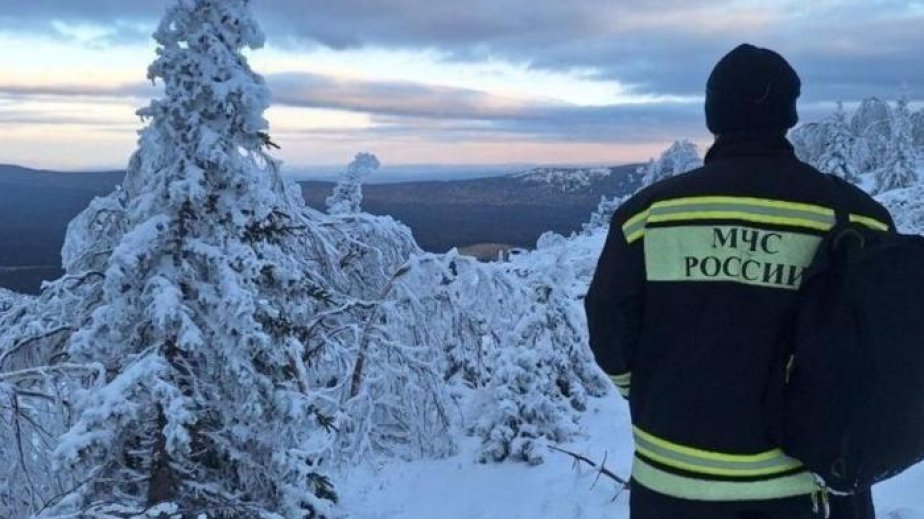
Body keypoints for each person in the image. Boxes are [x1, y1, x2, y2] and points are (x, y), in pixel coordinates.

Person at [585, 43, 894, 519]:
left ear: (714, 116)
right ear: (788, 115)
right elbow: (884, 344)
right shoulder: (859, 218)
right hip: (810, 487)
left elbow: (607, 324)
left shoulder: (646, 216)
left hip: (671, 487)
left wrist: (648, 389)